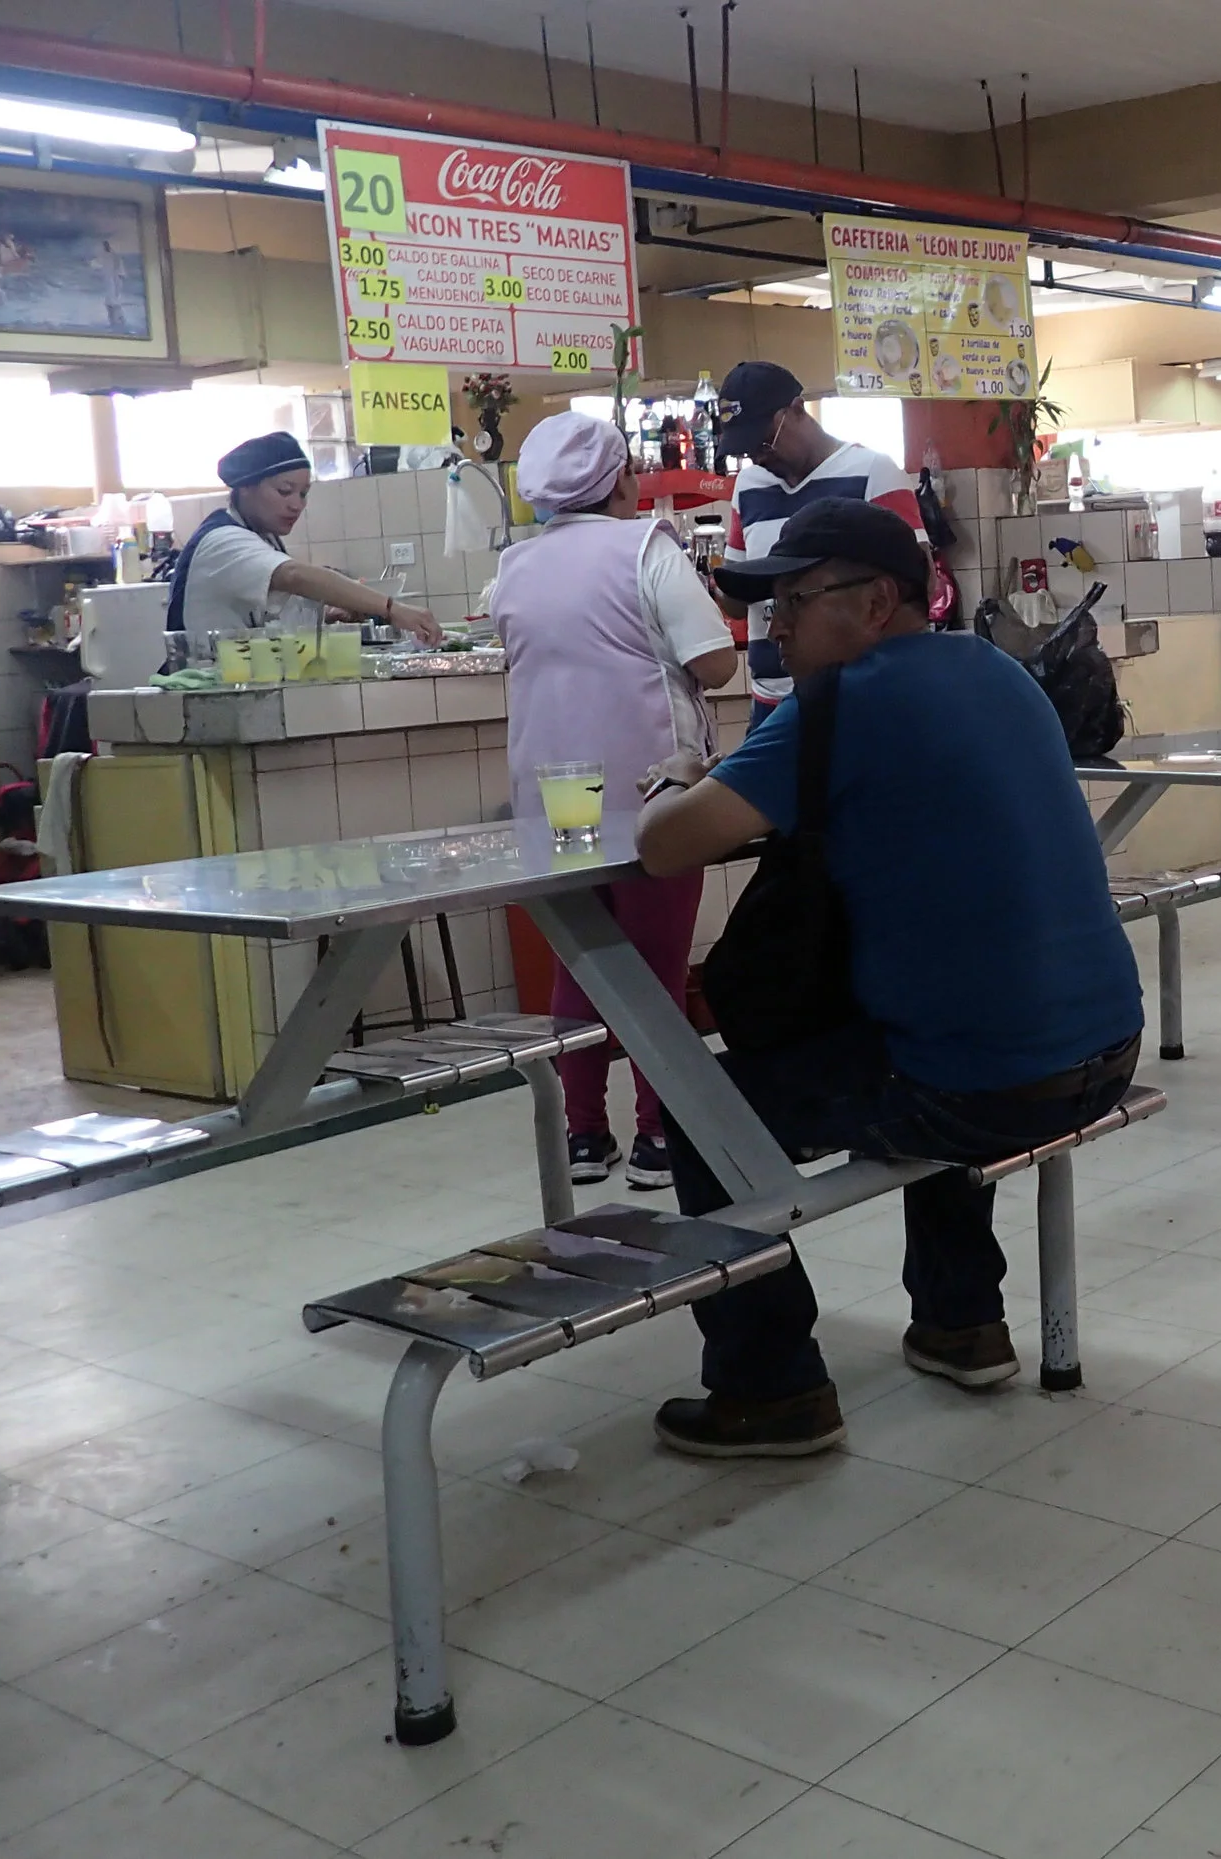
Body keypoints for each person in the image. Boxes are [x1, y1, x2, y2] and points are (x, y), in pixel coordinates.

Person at [631, 500, 1143, 1457]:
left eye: (795, 600)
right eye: (766, 607)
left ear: (875, 603)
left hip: (986, 1087)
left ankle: (769, 1386)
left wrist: (673, 782)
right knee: (927, 1032)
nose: (772, 627)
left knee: (701, 1104)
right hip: (1106, 1047)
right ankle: (962, 1322)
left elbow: (665, 849)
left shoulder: (847, 705)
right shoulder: (997, 671)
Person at [489, 413, 739, 1190]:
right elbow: (716, 662)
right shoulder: (646, 550)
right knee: (656, 962)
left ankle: (585, 1134)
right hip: (649, 787)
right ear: (620, 480)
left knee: (582, 956)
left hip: (554, 792)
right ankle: (660, 1136)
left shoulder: (515, 566)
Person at [714, 363, 929, 724]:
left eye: (764, 442)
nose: (758, 457)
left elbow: (921, 586)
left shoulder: (873, 472)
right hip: (770, 702)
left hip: (857, 695)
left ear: (797, 409)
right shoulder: (748, 486)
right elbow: (734, 602)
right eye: (747, 450)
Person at [166, 433, 440, 647]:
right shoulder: (223, 540)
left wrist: (329, 615)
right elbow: (295, 575)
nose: (296, 505)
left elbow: (272, 618)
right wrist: (391, 608)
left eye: (303, 494)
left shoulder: (264, 538)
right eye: (285, 491)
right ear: (245, 488)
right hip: (202, 690)